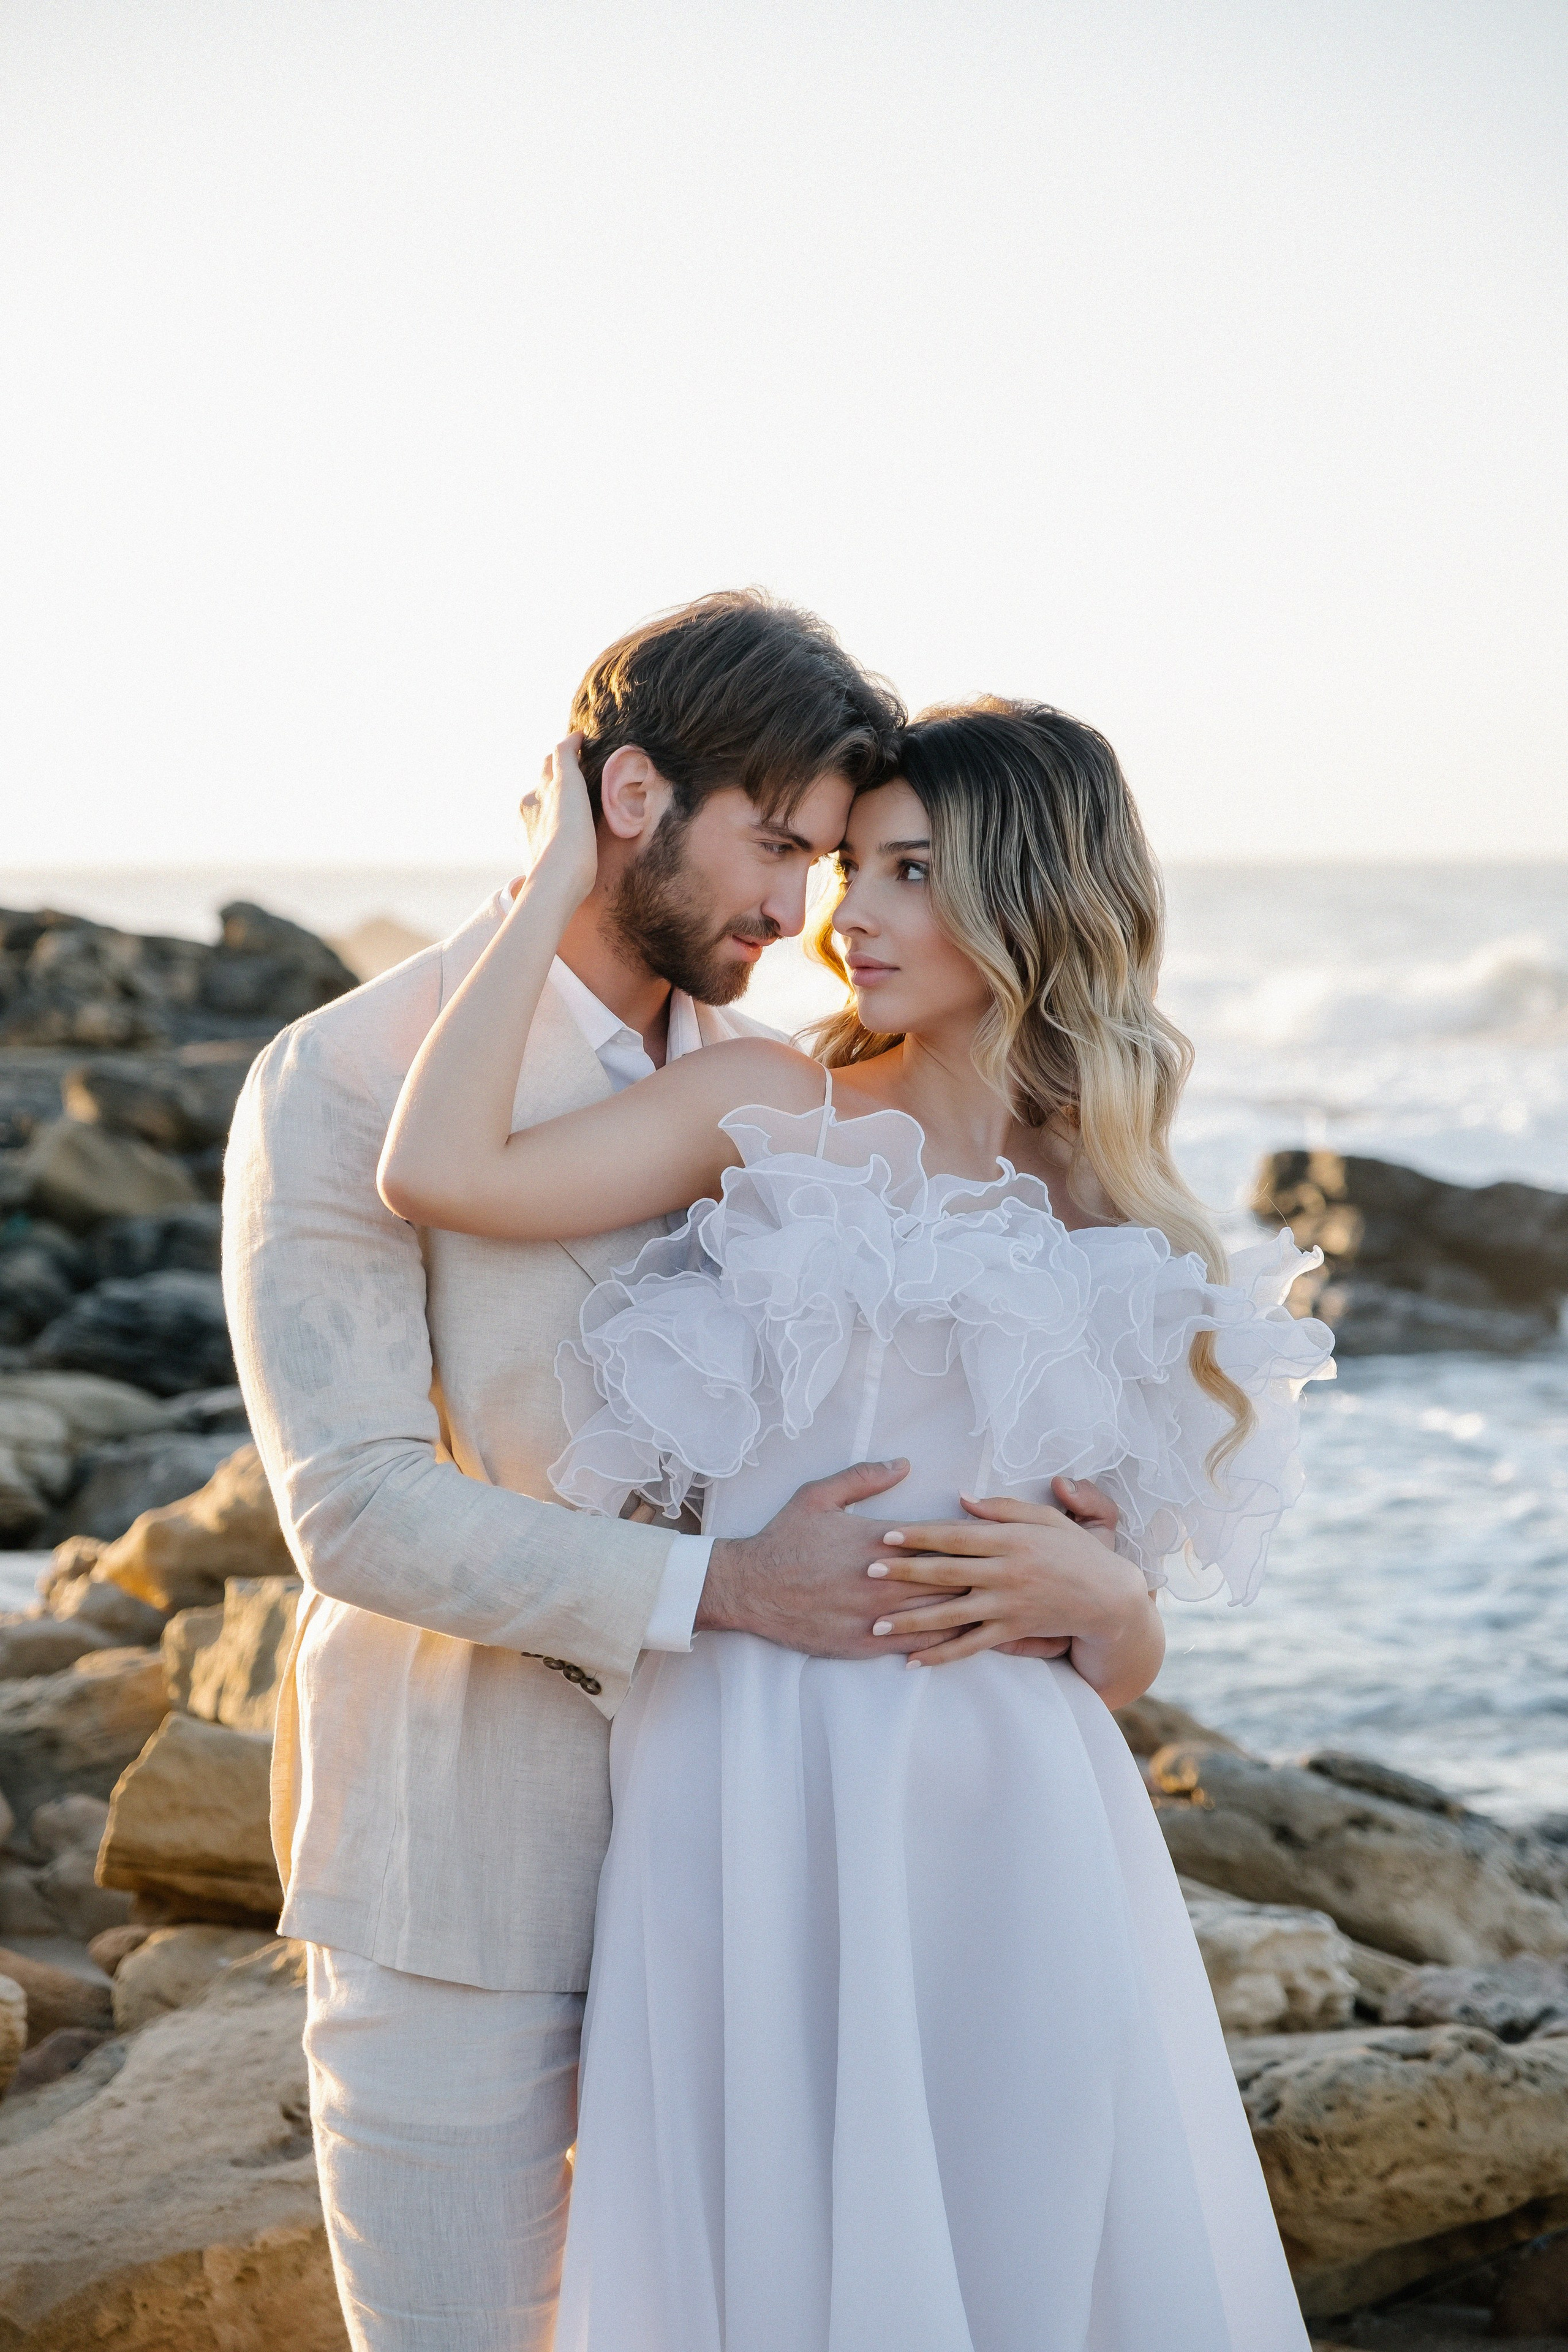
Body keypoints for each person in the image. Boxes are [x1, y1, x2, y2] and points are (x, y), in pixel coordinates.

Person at [380, 698, 1336, 2351]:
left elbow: (1122, 1651)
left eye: (907, 871)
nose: (849, 915)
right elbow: (439, 1170)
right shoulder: (773, 1110)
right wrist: (550, 880)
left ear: (1030, 891)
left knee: (1031, 2242)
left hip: (1018, 1808)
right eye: (844, 869)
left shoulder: (1121, 1197)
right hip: (756, 1772)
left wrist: (1103, 1589)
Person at [222, 591, 1015, 2351]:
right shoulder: (343, 1081)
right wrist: (728, 1592)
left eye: (831, 861)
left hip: (754, 1852)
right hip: (463, 1874)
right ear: (629, 798)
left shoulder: (770, 1083)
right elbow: (350, 1503)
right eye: (780, 847)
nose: (799, 911)